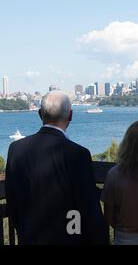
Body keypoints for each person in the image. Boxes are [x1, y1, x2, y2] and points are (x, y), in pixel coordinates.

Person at [5, 91, 109, 245]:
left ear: (40, 114)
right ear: (70, 116)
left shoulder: (16, 149)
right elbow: (89, 208)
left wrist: (23, 231)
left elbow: (12, 199)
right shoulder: (78, 154)